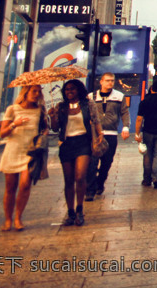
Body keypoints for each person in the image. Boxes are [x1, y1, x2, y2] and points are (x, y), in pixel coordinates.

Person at [49, 79, 103, 226]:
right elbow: (55, 128)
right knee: (68, 180)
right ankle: (70, 212)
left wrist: (100, 134)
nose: (69, 92)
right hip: (66, 144)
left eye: (72, 89)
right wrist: (53, 116)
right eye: (66, 90)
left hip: (83, 143)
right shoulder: (61, 107)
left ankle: (80, 209)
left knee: (80, 176)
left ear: (79, 90)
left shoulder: (88, 104)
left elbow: (96, 120)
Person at [0, 85, 46, 231]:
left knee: (25, 185)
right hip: (13, 150)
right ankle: (8, 220)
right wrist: (14, 124)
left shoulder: (40, 111)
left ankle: (18, 217)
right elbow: (2, 134)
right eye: (34, 91)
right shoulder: (13, 109)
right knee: (10, 187)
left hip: (29, 152)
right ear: (25, 92)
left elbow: (44, 129)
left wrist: (45, 129)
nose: (37, 94)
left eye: (39, 92)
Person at [86, 73, 129, 201]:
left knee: (107, 162)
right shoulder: (91, 97)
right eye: (107, 81)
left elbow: (124, 112)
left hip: (111, 134)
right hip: (95, 135)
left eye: (112, 81)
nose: (110, 83)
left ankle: (100, 182)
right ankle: (90, 190)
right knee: (92, 163)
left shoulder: (119, 96)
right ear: (101, 82)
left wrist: (125, 127)